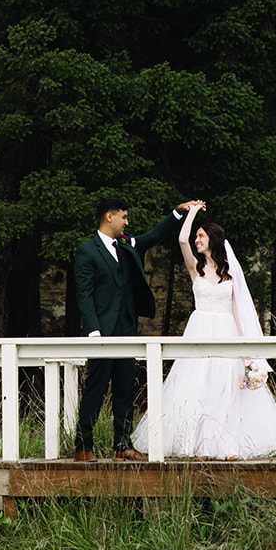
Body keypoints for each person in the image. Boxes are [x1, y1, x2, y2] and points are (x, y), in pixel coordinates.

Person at [131, 202, 276, 459]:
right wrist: (193, 211)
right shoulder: (195, 268)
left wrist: (247, 353)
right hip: (199, 330)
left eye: (202, 236)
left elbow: (240, 313)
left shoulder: (230, 273)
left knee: (226, 388)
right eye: (197, 236)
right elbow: (182, 239)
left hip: (226, 331)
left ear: (213, 240)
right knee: (195, 386)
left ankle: (226, 446)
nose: (197, 240)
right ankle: (193, 444)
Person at [72, 196, 193, 461]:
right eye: (124, 217)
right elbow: (85, 295)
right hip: (102, 333)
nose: (127, 222)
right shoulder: (87, 251)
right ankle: (83, 447)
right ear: (109, 217)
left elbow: (152, 236)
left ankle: (122, 445)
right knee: (96, 388)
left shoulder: (127, 244)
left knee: (126, 387)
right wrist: (93, 331)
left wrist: (177, 212)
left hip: (127, 329)